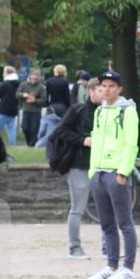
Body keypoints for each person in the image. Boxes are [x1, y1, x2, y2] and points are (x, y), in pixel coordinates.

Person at [86, 71, 140, 279]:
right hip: (98, 172)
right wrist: (92, 171)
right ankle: (111, 264)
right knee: (106, 223)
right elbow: (97, 141)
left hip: (115, 172)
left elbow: (131, 144)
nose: (106, 89)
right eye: (103, 86)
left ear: (119, 89)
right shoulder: (100, 111)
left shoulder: (127, 112)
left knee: (124, 222)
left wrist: (123, 171)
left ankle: (128, 267)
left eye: (110, 86)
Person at [63, 78, 101, 259]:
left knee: (105, 208)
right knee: (78, 207)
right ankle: (74, 247)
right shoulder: (77, 110)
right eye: (101, 90)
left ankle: (108, 247)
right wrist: (82, 140)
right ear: (91, 91)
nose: (105, 93)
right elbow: (61, 131)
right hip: (80, 165)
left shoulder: (108, 111)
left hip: (102, 164)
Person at [17, 68, 45, 146]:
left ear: (38, 78)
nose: (34, 79)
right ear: (30, 76)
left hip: (36, 112)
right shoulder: (23, 84)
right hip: (26, 110)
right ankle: (29, 143)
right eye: (33, 77)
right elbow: (17, 94)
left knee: (34, 130)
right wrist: (23, 95)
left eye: (36, 78)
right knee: (25, 128)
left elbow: (44, 100)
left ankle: (32, 145)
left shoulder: (41, 87)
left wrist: (35, 100)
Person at [0, 65, 20, 145]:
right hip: (14, 110)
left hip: (3, 109)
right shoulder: (18, 84)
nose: (3, 74)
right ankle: (13, 144)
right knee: (12, 129)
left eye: (4, 72)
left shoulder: (5, 84)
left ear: (7, 73)